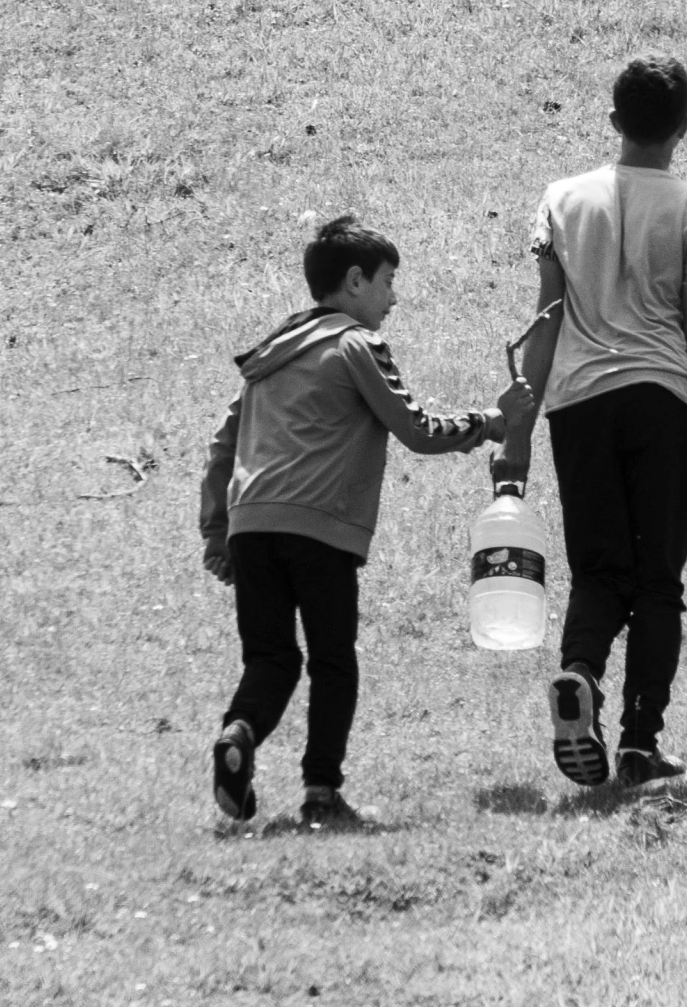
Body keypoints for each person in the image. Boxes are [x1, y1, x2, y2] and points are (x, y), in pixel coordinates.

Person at [200, 213, 507, 830]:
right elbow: (415, 429)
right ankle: (321, 793)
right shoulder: (355, 344)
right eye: (389, 280)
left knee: (270, 659)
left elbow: (221, 449)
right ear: (355, 280)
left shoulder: (266, 358)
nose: (395, 296)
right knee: (333, 660)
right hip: (319, 529)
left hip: (251, 527)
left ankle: (240, 731)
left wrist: (217, 533)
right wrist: (488, 423)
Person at [495, 55, 687, 795]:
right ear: (684, 127)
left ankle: (579, 673)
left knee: (600, 568)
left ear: (613, 122)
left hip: (577, 407)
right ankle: (641, 742)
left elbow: (544, 322)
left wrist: (517, 435)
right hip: (665, 403)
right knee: (658, 583)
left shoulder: (559, 200)